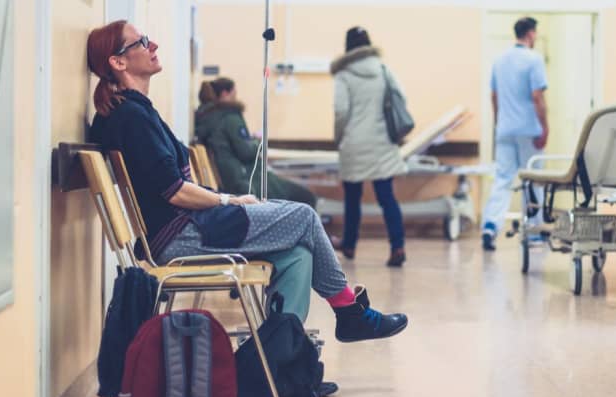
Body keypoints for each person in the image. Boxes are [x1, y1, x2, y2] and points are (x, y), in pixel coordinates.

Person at [86, 20, 408, 344]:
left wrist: (226, 201)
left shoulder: (135, 112)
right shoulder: (131, 116)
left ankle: (283, 366)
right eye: (141, 42)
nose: (152, 44)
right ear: (118, 62)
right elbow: (175, 191)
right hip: (181, 237)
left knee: (298, 256)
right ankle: (350, 314)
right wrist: (229, 200)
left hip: (188, 227)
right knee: (305, 216)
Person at [331, 26, 408, 267]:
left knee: (352, 198)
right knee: (387, 197)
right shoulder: (384, 70)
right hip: (382, 141)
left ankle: (350, 244)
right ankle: (397, 247)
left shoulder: (344, 75)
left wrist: (338, 136)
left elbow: (341, 110)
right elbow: (400, 99)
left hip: (354, 142)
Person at [194, 78, 317, 208]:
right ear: (225, 94)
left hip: (233, 179)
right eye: (234, 94)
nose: (236, 97)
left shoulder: (206, 119)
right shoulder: (230, 118)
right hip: (247, 183)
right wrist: (258, 142)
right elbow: (246, 152)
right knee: (307, 197)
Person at [481, 17, 549, 251]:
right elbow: (537, 97)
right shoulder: (534, 59)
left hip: (505, 129)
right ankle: (533, 232)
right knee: (532, 181)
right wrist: (545, 126)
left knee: (502, 179)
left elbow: (494, 96)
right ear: (530, 34)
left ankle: (490, 227)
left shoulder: (499, 60)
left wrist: (500, 121)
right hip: (529, 130)